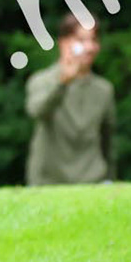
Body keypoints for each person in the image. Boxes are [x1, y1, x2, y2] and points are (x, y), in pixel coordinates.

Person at [25, 13, 117, 185]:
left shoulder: (104, 90)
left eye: (93, 40)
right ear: (64, 44)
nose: (89, 47)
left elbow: (108, 143)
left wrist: (110, 180)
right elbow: (37, 111)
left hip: (93, 182)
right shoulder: (42, 81)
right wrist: (63, 83)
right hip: (48, 183)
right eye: (81, 40)